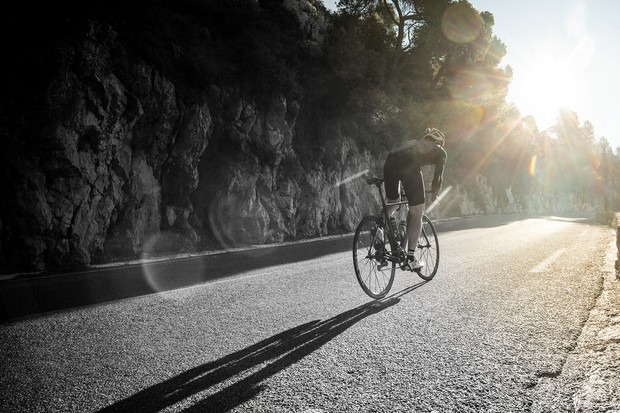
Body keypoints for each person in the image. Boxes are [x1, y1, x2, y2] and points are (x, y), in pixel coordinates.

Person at [383, 127, 447, 271]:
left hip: (389, 164)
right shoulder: (440, 151)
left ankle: (379, 226)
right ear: (439, 142)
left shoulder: (411, 143)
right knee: (417, 212)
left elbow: (396, 156)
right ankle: (410, 259)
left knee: (394, 201)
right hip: (410, 168)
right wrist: (435, 193)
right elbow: (438, 175)